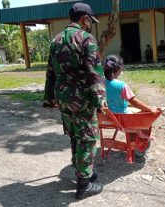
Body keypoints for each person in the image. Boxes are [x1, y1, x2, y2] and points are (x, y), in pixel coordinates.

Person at [42, 2, 105, 199]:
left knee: (75, 135)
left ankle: (85, 171)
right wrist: (100, 99)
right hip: (82, 97)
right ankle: (83, 185)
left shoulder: (56, 40)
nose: (90, 25)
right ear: (85, 19)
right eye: (90, 21)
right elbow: (94, 72)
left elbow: (50, 72)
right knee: (87, 138)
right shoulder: (86, 39)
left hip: (63, 96)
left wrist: (48, 98)